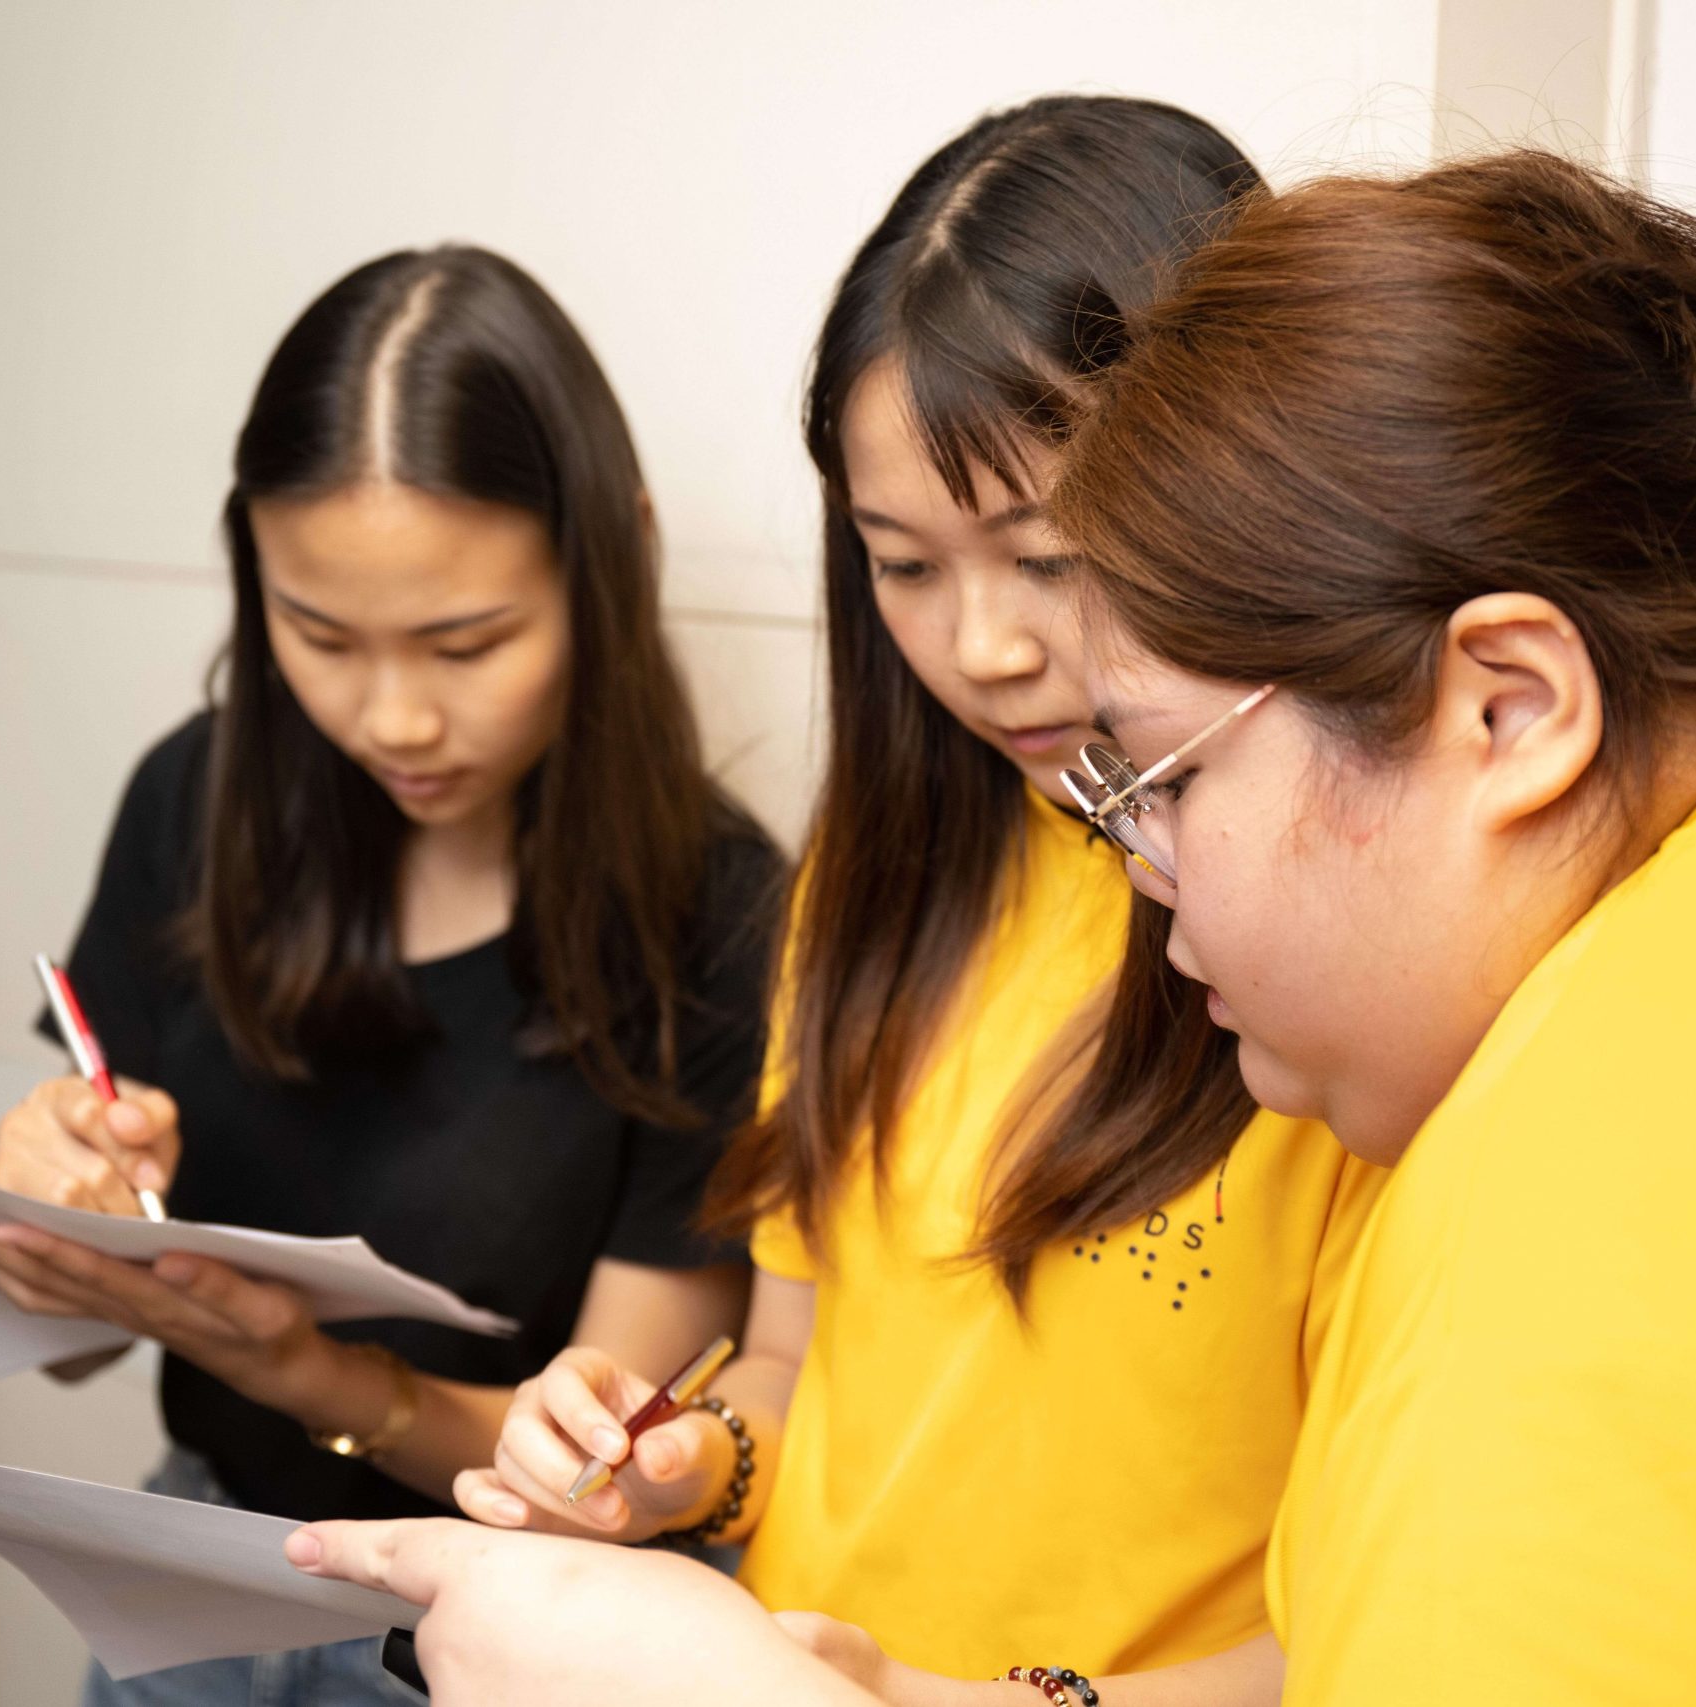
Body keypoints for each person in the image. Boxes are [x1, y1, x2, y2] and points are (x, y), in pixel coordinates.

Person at [290, 149, 1696, 1707]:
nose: (1133, 859)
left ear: (1512, 707)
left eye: (1159, 776)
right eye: (900, 560)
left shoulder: (1618, 1309)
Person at [452, 93, 1382, 1697]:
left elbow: (1376, 1632)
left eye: (1049, 553)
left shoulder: (1344, 926)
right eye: (903, 562)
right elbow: (804, 1359)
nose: (981, 649)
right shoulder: (879, 881)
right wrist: (676, 1459)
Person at [0, 245, 783, 1707]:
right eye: (319, 633)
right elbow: (67, 1360)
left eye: (468, 642)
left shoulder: (718, 913)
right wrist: (54, 1219)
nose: (392, 715)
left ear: (610, 563)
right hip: (187, 1582)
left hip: (503, 1633)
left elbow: (597, 1471)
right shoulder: (194, 807)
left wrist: (313, 1376)